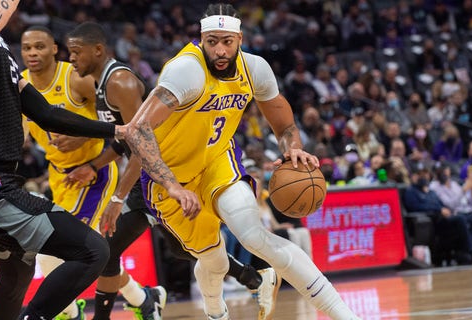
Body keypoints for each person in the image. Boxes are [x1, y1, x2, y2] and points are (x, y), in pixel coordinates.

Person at [122, 4, 360, 319]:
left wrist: (293, 148)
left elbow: (284, 124)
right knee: (213, 260)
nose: (220, 50)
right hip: (171, 177)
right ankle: (216, 312)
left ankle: (346, 315)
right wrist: (172, 186)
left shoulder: (255, 69)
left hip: (217, 161)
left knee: (253, 235)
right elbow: (137, 129)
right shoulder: (186, 71)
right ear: (202, 39)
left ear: (240, 39)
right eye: (212, 41)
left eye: (227, 42)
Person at [64, 22, 273, 320]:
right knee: (181, 249)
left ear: (97, 50)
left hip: (160, 172)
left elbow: (142, 144)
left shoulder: (119, 82)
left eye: (75, 52)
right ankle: (249, 277)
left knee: (108, 247)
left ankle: (121, 311)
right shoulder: (99, 83)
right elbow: (124, 142)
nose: (71, 59)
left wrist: (117, 198)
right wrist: (92, 165)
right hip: (152, 172)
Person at [0, 1, 125, 319]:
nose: (31, 52)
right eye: (28, 47)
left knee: (16, 276)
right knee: (93, 250)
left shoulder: (0, 52)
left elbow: (47, 114)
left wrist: (117, 130)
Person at [20, 26, 122, 320]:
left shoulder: (76, 78)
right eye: (27, 49)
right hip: (58, 175)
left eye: (40, 47)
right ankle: (143, 298)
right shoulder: (21, 85)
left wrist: (85, 135)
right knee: (86, 253)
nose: (33, 53)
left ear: (54, 49)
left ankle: (65, 310)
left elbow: (117, 121)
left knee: (57, 248)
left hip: (94, 174)